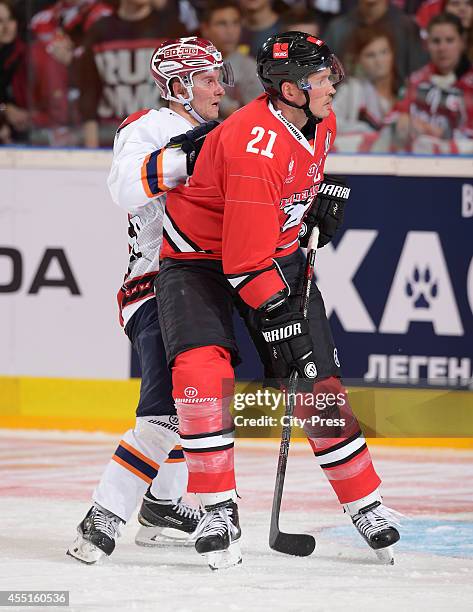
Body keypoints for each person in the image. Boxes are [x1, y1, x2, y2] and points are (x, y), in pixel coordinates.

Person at [157, 31, 402, 570]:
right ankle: (217, 506)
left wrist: (313, 211)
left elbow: (285, 201)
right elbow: (242, 263)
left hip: (270, 254)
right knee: (201, 372)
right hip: (199, 259)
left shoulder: (322, 120)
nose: (332, 87)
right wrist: (279, 319)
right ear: (289, 90)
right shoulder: (252, 147)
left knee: (317, 381)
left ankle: (363, 500)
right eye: (320, 80)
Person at [67, 36, 233, 564]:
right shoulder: (149, 128)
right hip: (156, 286)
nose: (219, 87)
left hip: (206, 289)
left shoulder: (223, 133)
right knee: (165, 415)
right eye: (207, 78)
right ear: (178, 85)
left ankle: (162, 503)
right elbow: (123, 188)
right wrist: (191, 153)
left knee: (200, 404)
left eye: (219, 76)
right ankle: (103, 516)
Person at [77, 0, 186, 148]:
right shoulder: (99, 31)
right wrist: (91, 150)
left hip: (161, 139)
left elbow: (184, 91)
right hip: (110, 138)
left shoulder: (172, 29)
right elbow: (89, 92)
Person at [394, 12, 473, 153]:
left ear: (462, 42)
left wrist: (438, 134)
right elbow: (393, 118)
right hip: (417, 162)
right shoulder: (415, 80)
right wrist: (402, 120)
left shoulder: (470, 86)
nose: (442, 48)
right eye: (436, 41)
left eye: (449, 40)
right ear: (426, 44)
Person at [324, 0, 428, 83]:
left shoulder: (406, 28)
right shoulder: (337, 28)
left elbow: (418, 76)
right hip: (346, 103)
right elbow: (323, 78)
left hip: (397, 103)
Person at [332, 25, 399, 151]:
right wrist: (363, 130)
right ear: (359, 60)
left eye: (384, 52)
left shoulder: (405, 90)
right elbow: (330, 122)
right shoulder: (351, 89)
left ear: (393, 54)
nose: (379, 61)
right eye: (370, 55)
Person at [200, 0, 262, 117]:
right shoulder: (191, 65)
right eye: (222, 24)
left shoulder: (251, 68)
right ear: (205, 29)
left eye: (235, 23)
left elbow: (253, 116)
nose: (230, 31)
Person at [0, 0, 28, 144]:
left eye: (10, 19)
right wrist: (4, 110)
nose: (6, 27)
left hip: (26, 137)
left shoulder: (28, 57)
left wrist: (30, 117)